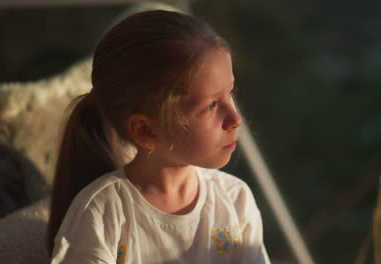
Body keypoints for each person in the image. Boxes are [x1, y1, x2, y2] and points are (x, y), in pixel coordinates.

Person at [47, 10, 270, 264]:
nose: (235, 118)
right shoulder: (103, 213)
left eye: (230, 92)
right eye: (210, 106)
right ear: (146, 131)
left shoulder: (235, 200)